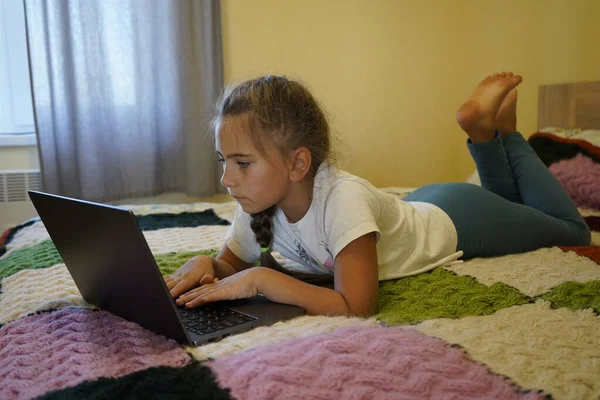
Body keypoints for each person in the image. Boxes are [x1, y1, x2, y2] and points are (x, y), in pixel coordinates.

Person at [163, 73, 591, 317]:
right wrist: (210, 265)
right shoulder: (254, 203)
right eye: (223, 161)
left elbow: (357, 306)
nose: (227, 180)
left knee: (574, 230)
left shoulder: (341, 201)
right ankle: (484, 132)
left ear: (298, 163)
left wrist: (262, 277)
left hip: (459, 219)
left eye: (242, 163)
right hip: (419, 203)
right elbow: (228, 268)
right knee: (515, 208)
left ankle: (506, 134)